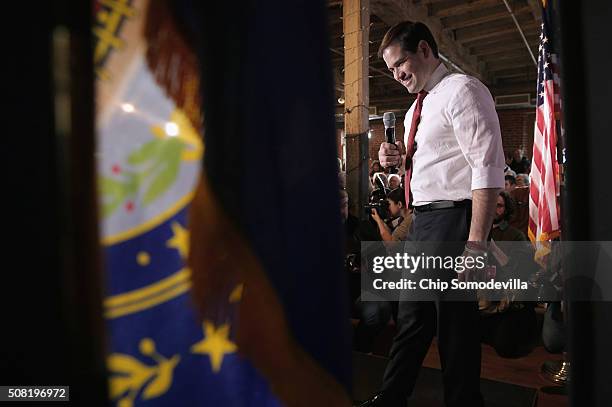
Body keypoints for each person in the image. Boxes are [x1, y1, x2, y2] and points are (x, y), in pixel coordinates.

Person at [359, 21, 504, 407]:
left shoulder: (464, 90)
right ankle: (391, 397)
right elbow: (434, 168)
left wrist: (475, 244)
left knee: (455, 328)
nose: (397, 74)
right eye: (390, 69)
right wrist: (398, 160)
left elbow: (486, 169)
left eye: (400, 63)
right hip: (423, 221)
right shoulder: (412, 113)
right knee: (412, 320)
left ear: (425, 49)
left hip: (454, 221)